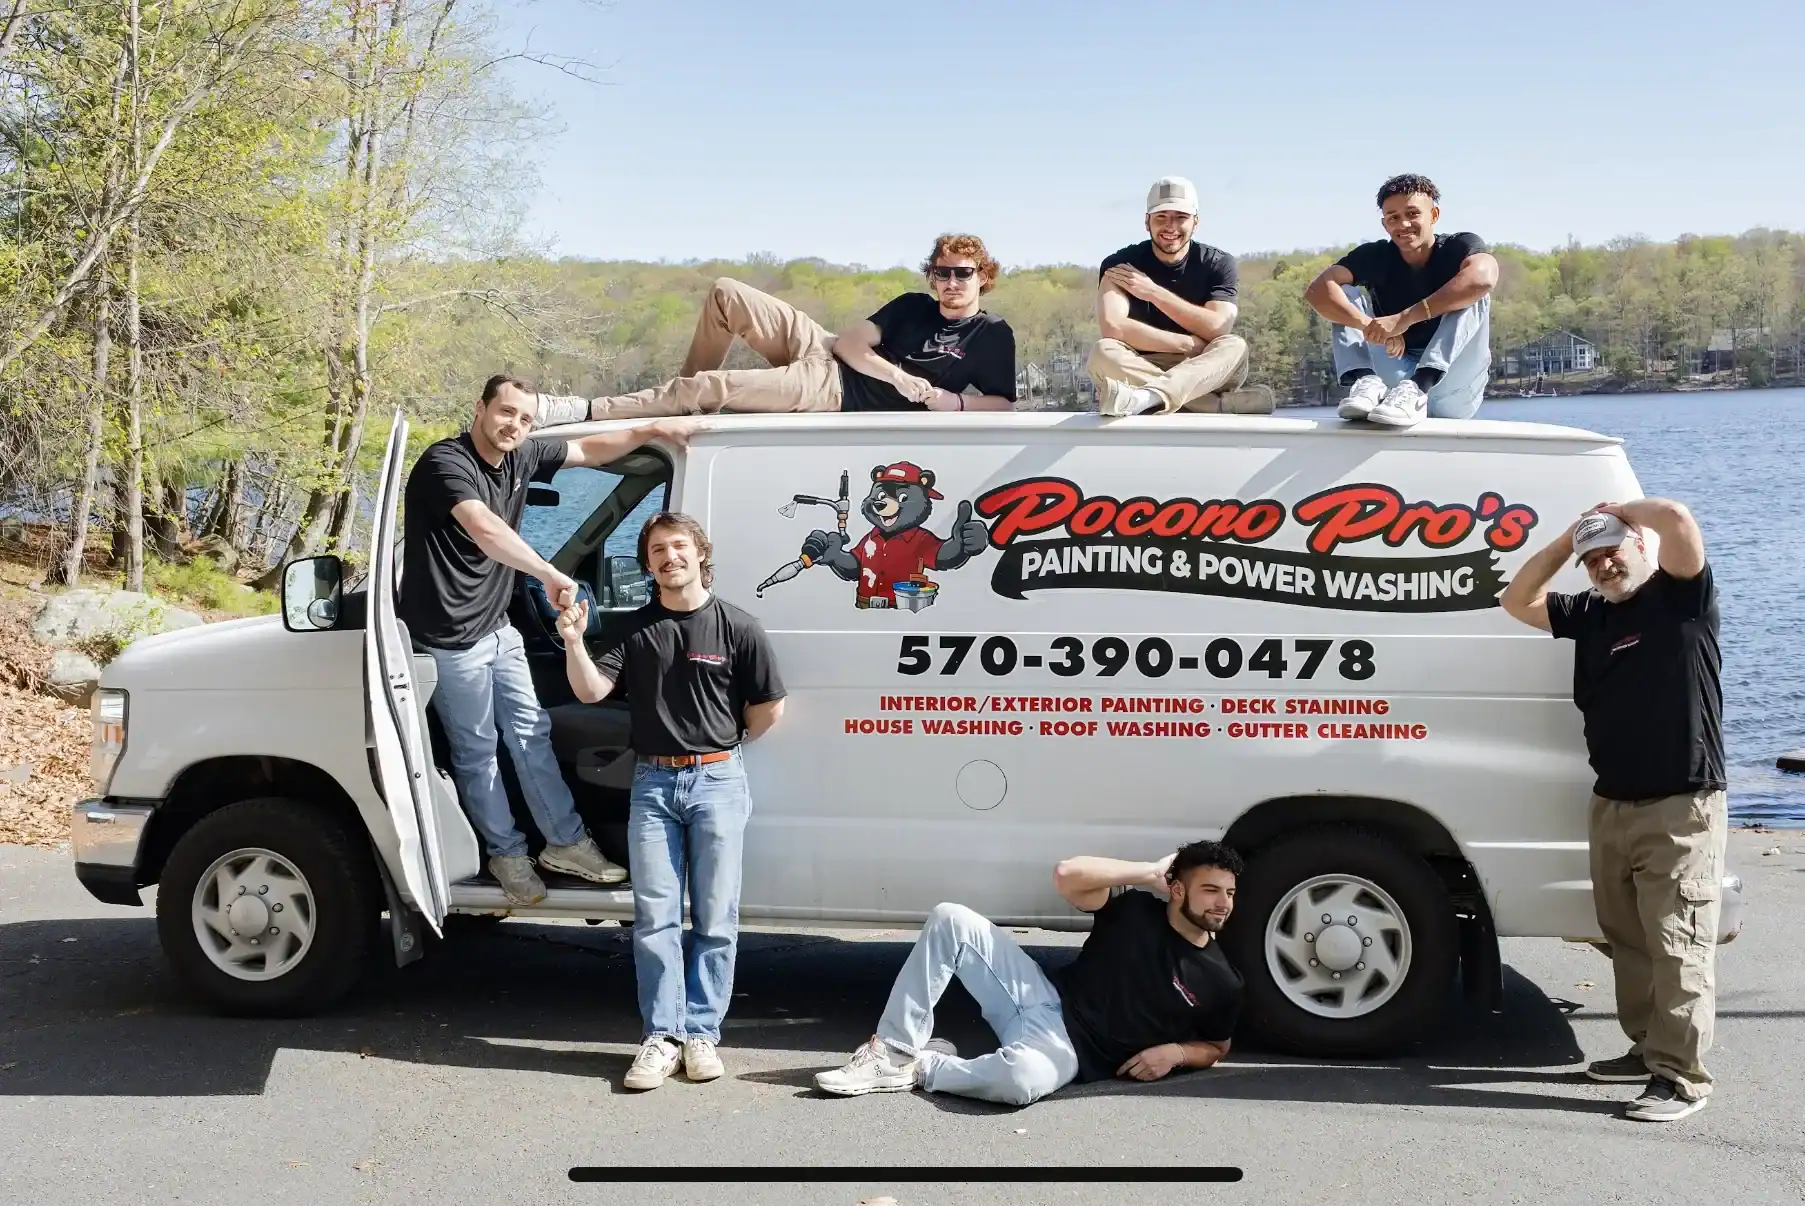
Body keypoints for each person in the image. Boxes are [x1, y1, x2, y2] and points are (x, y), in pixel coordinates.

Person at [399, 375, 694, 906]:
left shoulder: (523, 456)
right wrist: (549, 574)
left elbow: (589, 449)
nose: (514, 426)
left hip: (496, 629)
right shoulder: (446, 464)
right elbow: (485, 528)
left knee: (531, 733)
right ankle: (507, 854)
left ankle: (565, 843)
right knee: (477, 751)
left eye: (526, 419)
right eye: (506, 412)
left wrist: (651, 429)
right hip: (449, 639)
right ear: (481, 407)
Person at [1499, 499, 1726, 1123]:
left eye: (1614, 550)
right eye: (1592, 558)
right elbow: (1515, 600)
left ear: (1642, 548)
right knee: (1627, 938)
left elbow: (1680, 519)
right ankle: (1648, 1049)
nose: (1604, 564)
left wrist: (1621, 512)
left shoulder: (1683, 600)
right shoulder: (1591, 616)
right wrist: (1568, 539)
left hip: (1681, 805)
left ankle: (1682, 1078)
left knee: (1678, 942)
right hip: (1613, 803)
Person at [558, 512, 787, 1091]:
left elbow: (767, 711)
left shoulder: (739, 627)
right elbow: (590, 689)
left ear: (700, 553)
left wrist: (718, 754)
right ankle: (660, 1037)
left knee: (716, 917)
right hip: (653, 787)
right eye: (657, 550)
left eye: (679, 546)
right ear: (649, 563)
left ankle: (702, 1033)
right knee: (655, 919)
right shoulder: (637, 630)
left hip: (718, 782)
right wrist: (573, 641)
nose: (669, 557)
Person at [814, 841, 1244, 1107]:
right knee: (951, 918)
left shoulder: (1221, 980)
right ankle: (893, 1050)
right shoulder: (1135, 910)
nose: (1222, 903)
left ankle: (924, 1067)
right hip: (1038, 997)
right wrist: (1148, 872)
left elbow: (1215, 1045)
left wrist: (1176, 1053)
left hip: (1069, 1051)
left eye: (1228, 893)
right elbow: (1067, 875)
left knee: (1018, 1083)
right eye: (1210, 890)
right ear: (1178, 889)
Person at [531, 235, 1018, 421]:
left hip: (834, 390)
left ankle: (585, 409)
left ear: (983, 277)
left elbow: (1001, 402)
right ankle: (680, 404)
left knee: (712, 387)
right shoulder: (913, 305)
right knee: (726, 292)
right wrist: (897, 376)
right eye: (942, 272)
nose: (951, 281)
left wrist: (945, 400)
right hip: (827, 349)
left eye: (963, 273)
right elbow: (850, 343)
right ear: (931, 275)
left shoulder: (991, 334)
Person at [1303, 173, 1498, 428]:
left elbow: (1483, 277)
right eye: (1393, 217)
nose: (1403, 224)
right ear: (1385, 224)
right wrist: (1371, 327)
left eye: (1413, 213)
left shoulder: (1459, 246)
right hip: (1395, 382)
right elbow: (1316, 291)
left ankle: (1420, 386)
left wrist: (1404, 319)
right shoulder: (1375, 256)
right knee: (1340, 292)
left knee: (1473, 292)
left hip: (1452, 386)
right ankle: (1365, 381)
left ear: (1434, 215)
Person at [1088, 176, 1273, 418]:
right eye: (1161, 217)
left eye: (1181, 217)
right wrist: (1187, 344)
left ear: (1195, 222)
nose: (1170, 227)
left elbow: (1218, 326)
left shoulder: (1218, 263)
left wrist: (1153, 292)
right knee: (1103, 352)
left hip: (1205, 368)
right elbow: (1113, 327)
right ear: (1147, 222)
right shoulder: (1120, 264)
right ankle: (1213, 406)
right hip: (1141, 364)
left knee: (1234, 346)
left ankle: (1146, 397)